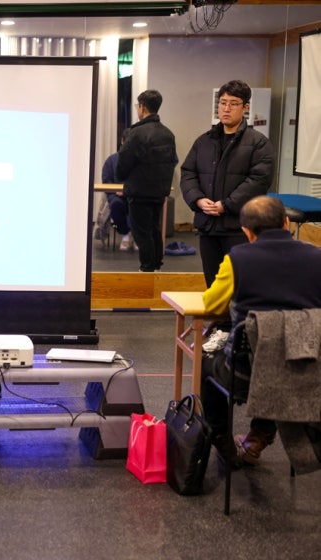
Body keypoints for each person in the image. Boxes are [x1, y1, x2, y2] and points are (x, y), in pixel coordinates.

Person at [200, 195, 321, 469]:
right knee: (276, 354)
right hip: (305, 368)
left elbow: (211, 305)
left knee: (206, 362)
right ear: (287, 223)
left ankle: (220, 437)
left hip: (245, 375)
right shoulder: (317, 257)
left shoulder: (237, 259)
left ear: (246, 231)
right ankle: (260, 435)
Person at [180, 79, 274, 287]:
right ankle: (218, 312)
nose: (226, 108)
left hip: (239, 227)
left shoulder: (258, 143)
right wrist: (198, 200)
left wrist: (226, 204)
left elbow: (259, 180)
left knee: (240, 284)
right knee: (213, 284)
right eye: (222, 103)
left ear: (245, 107)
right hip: (207, 226)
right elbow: (188, 173)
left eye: (233, 103)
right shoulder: (204, 141)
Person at [116, 90, 178, 272]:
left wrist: (122, 177)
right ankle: (157, 267)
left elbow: (123, 162)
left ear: (142, 107)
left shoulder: (136, 133)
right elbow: (173, 161)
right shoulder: (168, 134)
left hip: (139, 191)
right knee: (155, 230)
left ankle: (147, 269)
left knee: (142, 233)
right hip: (159, 192)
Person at [101, 128, 134, 251]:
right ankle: (125, 234)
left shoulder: (138, 162)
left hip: (133, 194)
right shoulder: (111, 160)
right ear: (122, 141)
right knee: (115, 204)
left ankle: (136, 235)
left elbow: (141, 180)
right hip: (116, 195)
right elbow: (106, 181)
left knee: (139, 205)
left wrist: (127, 192)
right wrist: (116, 191)